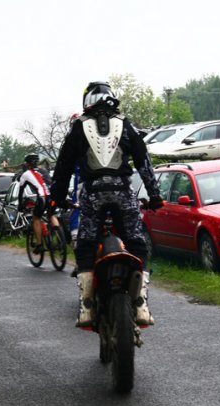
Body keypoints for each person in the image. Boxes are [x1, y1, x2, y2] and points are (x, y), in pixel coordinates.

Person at [50, 81, 163, 327]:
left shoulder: (78, 127)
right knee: (137, 243)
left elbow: (63, 168)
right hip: (123, 193)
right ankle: (141, 304)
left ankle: (87, 307)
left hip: (92, 195)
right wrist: (155, 195)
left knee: (86, 246)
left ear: (87, 101)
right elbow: (144, 163)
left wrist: (55, 198)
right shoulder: (126, 125)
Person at [18, 153, 60, 254]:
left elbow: (20, 191)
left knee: (36, 218)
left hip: (42, 197)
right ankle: (59, 236)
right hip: (53, 196)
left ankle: (39, 245)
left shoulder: (25, 174)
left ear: (27, 164)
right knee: (51, 214)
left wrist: (20, 205)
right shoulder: (44, 171)